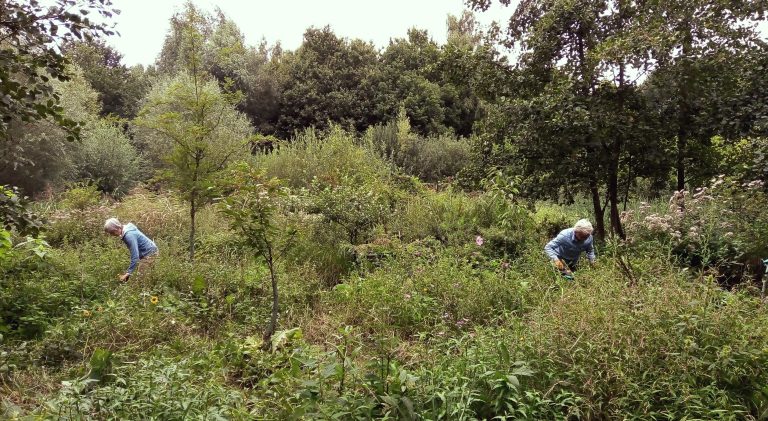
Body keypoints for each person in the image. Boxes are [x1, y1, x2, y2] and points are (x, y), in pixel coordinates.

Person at [104, 218, 158, 282]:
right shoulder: (126, 228)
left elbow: (135, 256)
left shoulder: (129, 235)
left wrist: (128, 273)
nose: (111, 235)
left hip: (149, 254)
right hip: (152, 250)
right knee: (150, 276)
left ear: (116, 229)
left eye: (111, 233)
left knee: (141, 280)